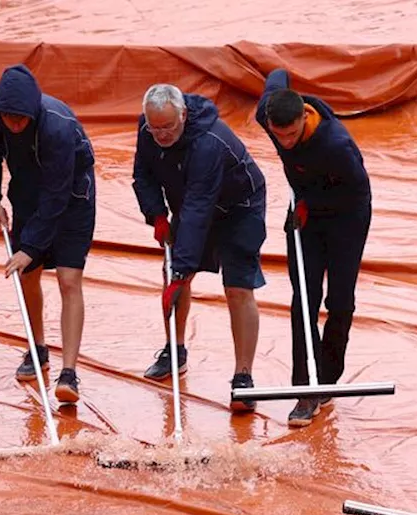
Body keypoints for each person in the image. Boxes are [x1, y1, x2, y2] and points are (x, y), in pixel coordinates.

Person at [131, 83, 267, 412]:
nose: (160, 134)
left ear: (183, 115)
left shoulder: (208, 142)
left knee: (237, 286)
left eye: (168, 127)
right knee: (174, 274)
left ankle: (243, 377)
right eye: (154, 127)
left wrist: (183, 268)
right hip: (191, 203)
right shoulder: (148, 128)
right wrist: (156, 214)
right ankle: (174, 351)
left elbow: (198, 206)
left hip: (238, 208)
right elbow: (142, 175)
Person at [255, 68, 372, 427]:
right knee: (303, 297)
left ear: (304, 120)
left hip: (346, 216)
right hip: (304, 215)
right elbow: (277, 74)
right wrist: (302, 203)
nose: (285, 142)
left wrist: (310, 198)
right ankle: (305, 389)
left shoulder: (336, 144)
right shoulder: (269, 114)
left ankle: (328, 379)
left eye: (291, 136)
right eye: (279, 136)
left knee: (338, 300)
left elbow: (354, 191)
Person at [0, 64, 96, 404]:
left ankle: (69, 372)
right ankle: (37, 347)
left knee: (69, 279)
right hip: (26, 191)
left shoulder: (57, 128)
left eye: (20, 119)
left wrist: (30, 247)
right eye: (8, 119)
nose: (14, 125)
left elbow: (56, 197)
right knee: (28, 275)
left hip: (72, 198)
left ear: (33, 111)